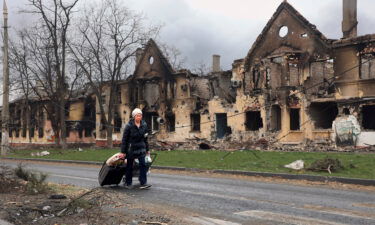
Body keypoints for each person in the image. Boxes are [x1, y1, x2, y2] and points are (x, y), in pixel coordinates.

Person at [121, 108, 151, 189]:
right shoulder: (129, 126)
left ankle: (143, 182)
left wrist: (147, 149)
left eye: (140, 115)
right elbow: (124, 139)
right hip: (131, 148)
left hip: (141, 148)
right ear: (134, 116)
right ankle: (128, 182)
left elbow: (145, 138)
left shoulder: (144, 125)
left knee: (143, 165)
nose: (139, 117)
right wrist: (123, 151)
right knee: (129, 166)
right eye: (138, 115)